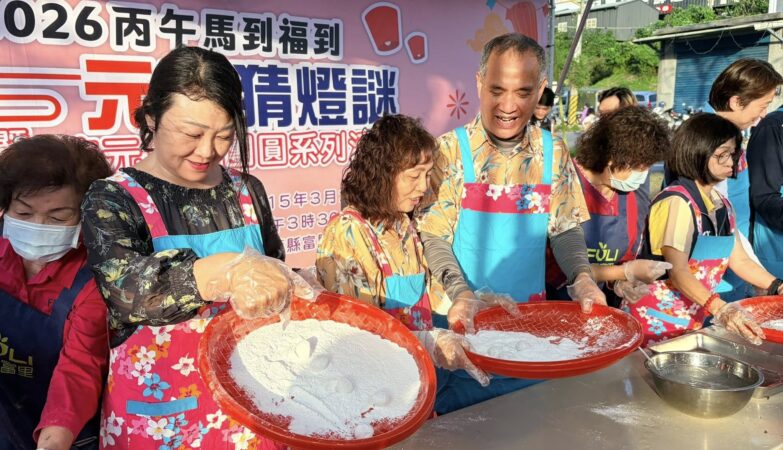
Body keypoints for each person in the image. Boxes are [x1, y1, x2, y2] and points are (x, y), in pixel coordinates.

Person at [81, 47, 310, 449]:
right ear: (151, 117)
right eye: (191, 134)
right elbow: (127, 292)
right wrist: (225, 271)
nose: (207, 151)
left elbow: (272, 268)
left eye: (224, 136)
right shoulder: (114, 198)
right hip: (163, 415)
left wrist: (294, 282)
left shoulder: (246, 191)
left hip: (254, 403)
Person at [418, 33, 605, 413]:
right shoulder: (449, 151)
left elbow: (564, 226)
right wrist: (462, 294)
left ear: (540, 89)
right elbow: (433, 236)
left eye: (522, 92)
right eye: (496, 90)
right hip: (460, 326)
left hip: (527, 326)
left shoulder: (553, 151)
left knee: (524, 420)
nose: (507, 106)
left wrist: (582, 277)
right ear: (479, 83)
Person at [317, 114, 517, 415]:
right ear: (382, 174)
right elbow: (358, 334)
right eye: (414, 176)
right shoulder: (349, 232)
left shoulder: (403, 225)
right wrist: (428, 341)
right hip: (382, 395)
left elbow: (426, 297)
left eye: (427, 174)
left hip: (422, 379)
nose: (423, 186)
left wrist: (471, 301)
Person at [625, 113, 779, 346]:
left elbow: (741, 261)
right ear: (697, 152)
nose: (731, 162)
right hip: (653, 322)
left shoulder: (723, 205)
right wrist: (721, 308)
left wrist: (777, 286)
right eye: (722, 154)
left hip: (691, 320)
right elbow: (678, 271)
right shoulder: (677, 201)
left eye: (733, 153)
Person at [0, 135, 113, 450]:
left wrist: (53, 441)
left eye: (58, 217)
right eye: (24, 214)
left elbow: (79, 366)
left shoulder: (93, 278)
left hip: (65, 430)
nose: (38, 225)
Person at [546, 106, 672, 307]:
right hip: (554, 303)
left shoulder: (632, 195)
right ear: (609, 157)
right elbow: (555, 265)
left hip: (601, 305)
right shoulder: (565, 181)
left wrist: (621, 282)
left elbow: (625, 256)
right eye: (636, 168)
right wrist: (624, 272)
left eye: (646, 168)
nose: (641, 176)